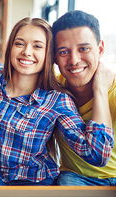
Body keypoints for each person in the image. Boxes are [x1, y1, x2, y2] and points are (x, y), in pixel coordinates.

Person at [0, 17, 114, 186]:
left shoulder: (57, 99)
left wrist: (100, 89)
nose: (27, 52)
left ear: (50, 55)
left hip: (36, 179)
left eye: (37, 46)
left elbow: (97, 154)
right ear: (10, 47)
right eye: (19, 43)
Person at [52, 10, 116, 186]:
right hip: (74, 176)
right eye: (64, 52)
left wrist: (101, 90)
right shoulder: (53, 89)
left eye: (83, 48)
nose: (74, 60)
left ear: (100, 49)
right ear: (55, 58)